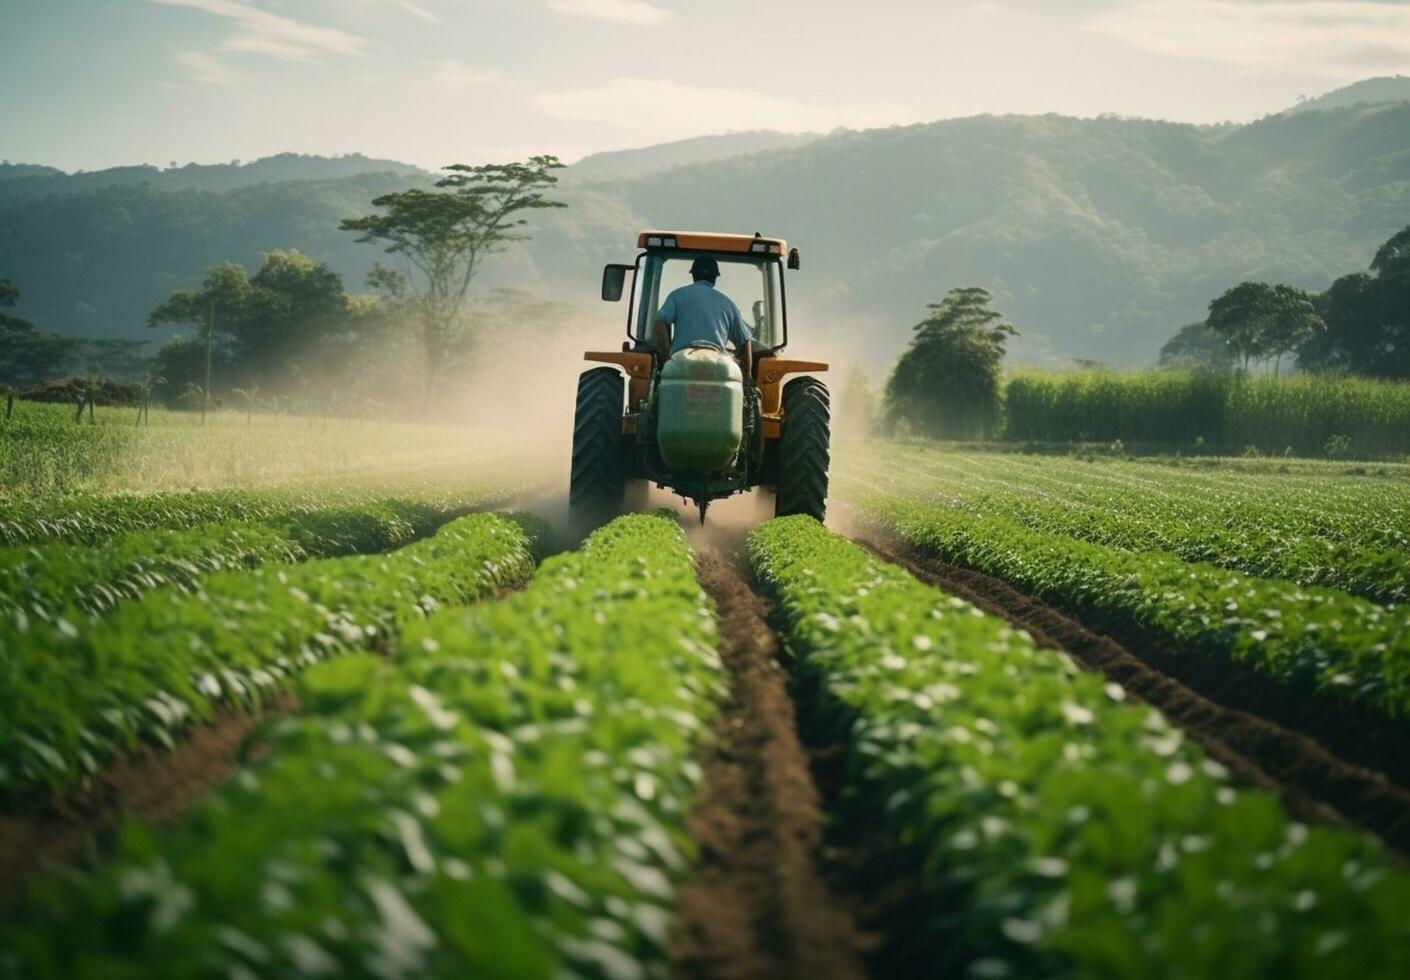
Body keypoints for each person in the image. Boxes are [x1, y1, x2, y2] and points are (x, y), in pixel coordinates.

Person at [652, 256, 753, 378]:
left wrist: (665, 359)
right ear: (715, 277)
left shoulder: (677, 295)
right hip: (717, 368)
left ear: (693, 275)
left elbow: (661, 322)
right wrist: (747, 374)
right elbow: (745, 340)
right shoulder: (728, 304)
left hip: (681, 365)